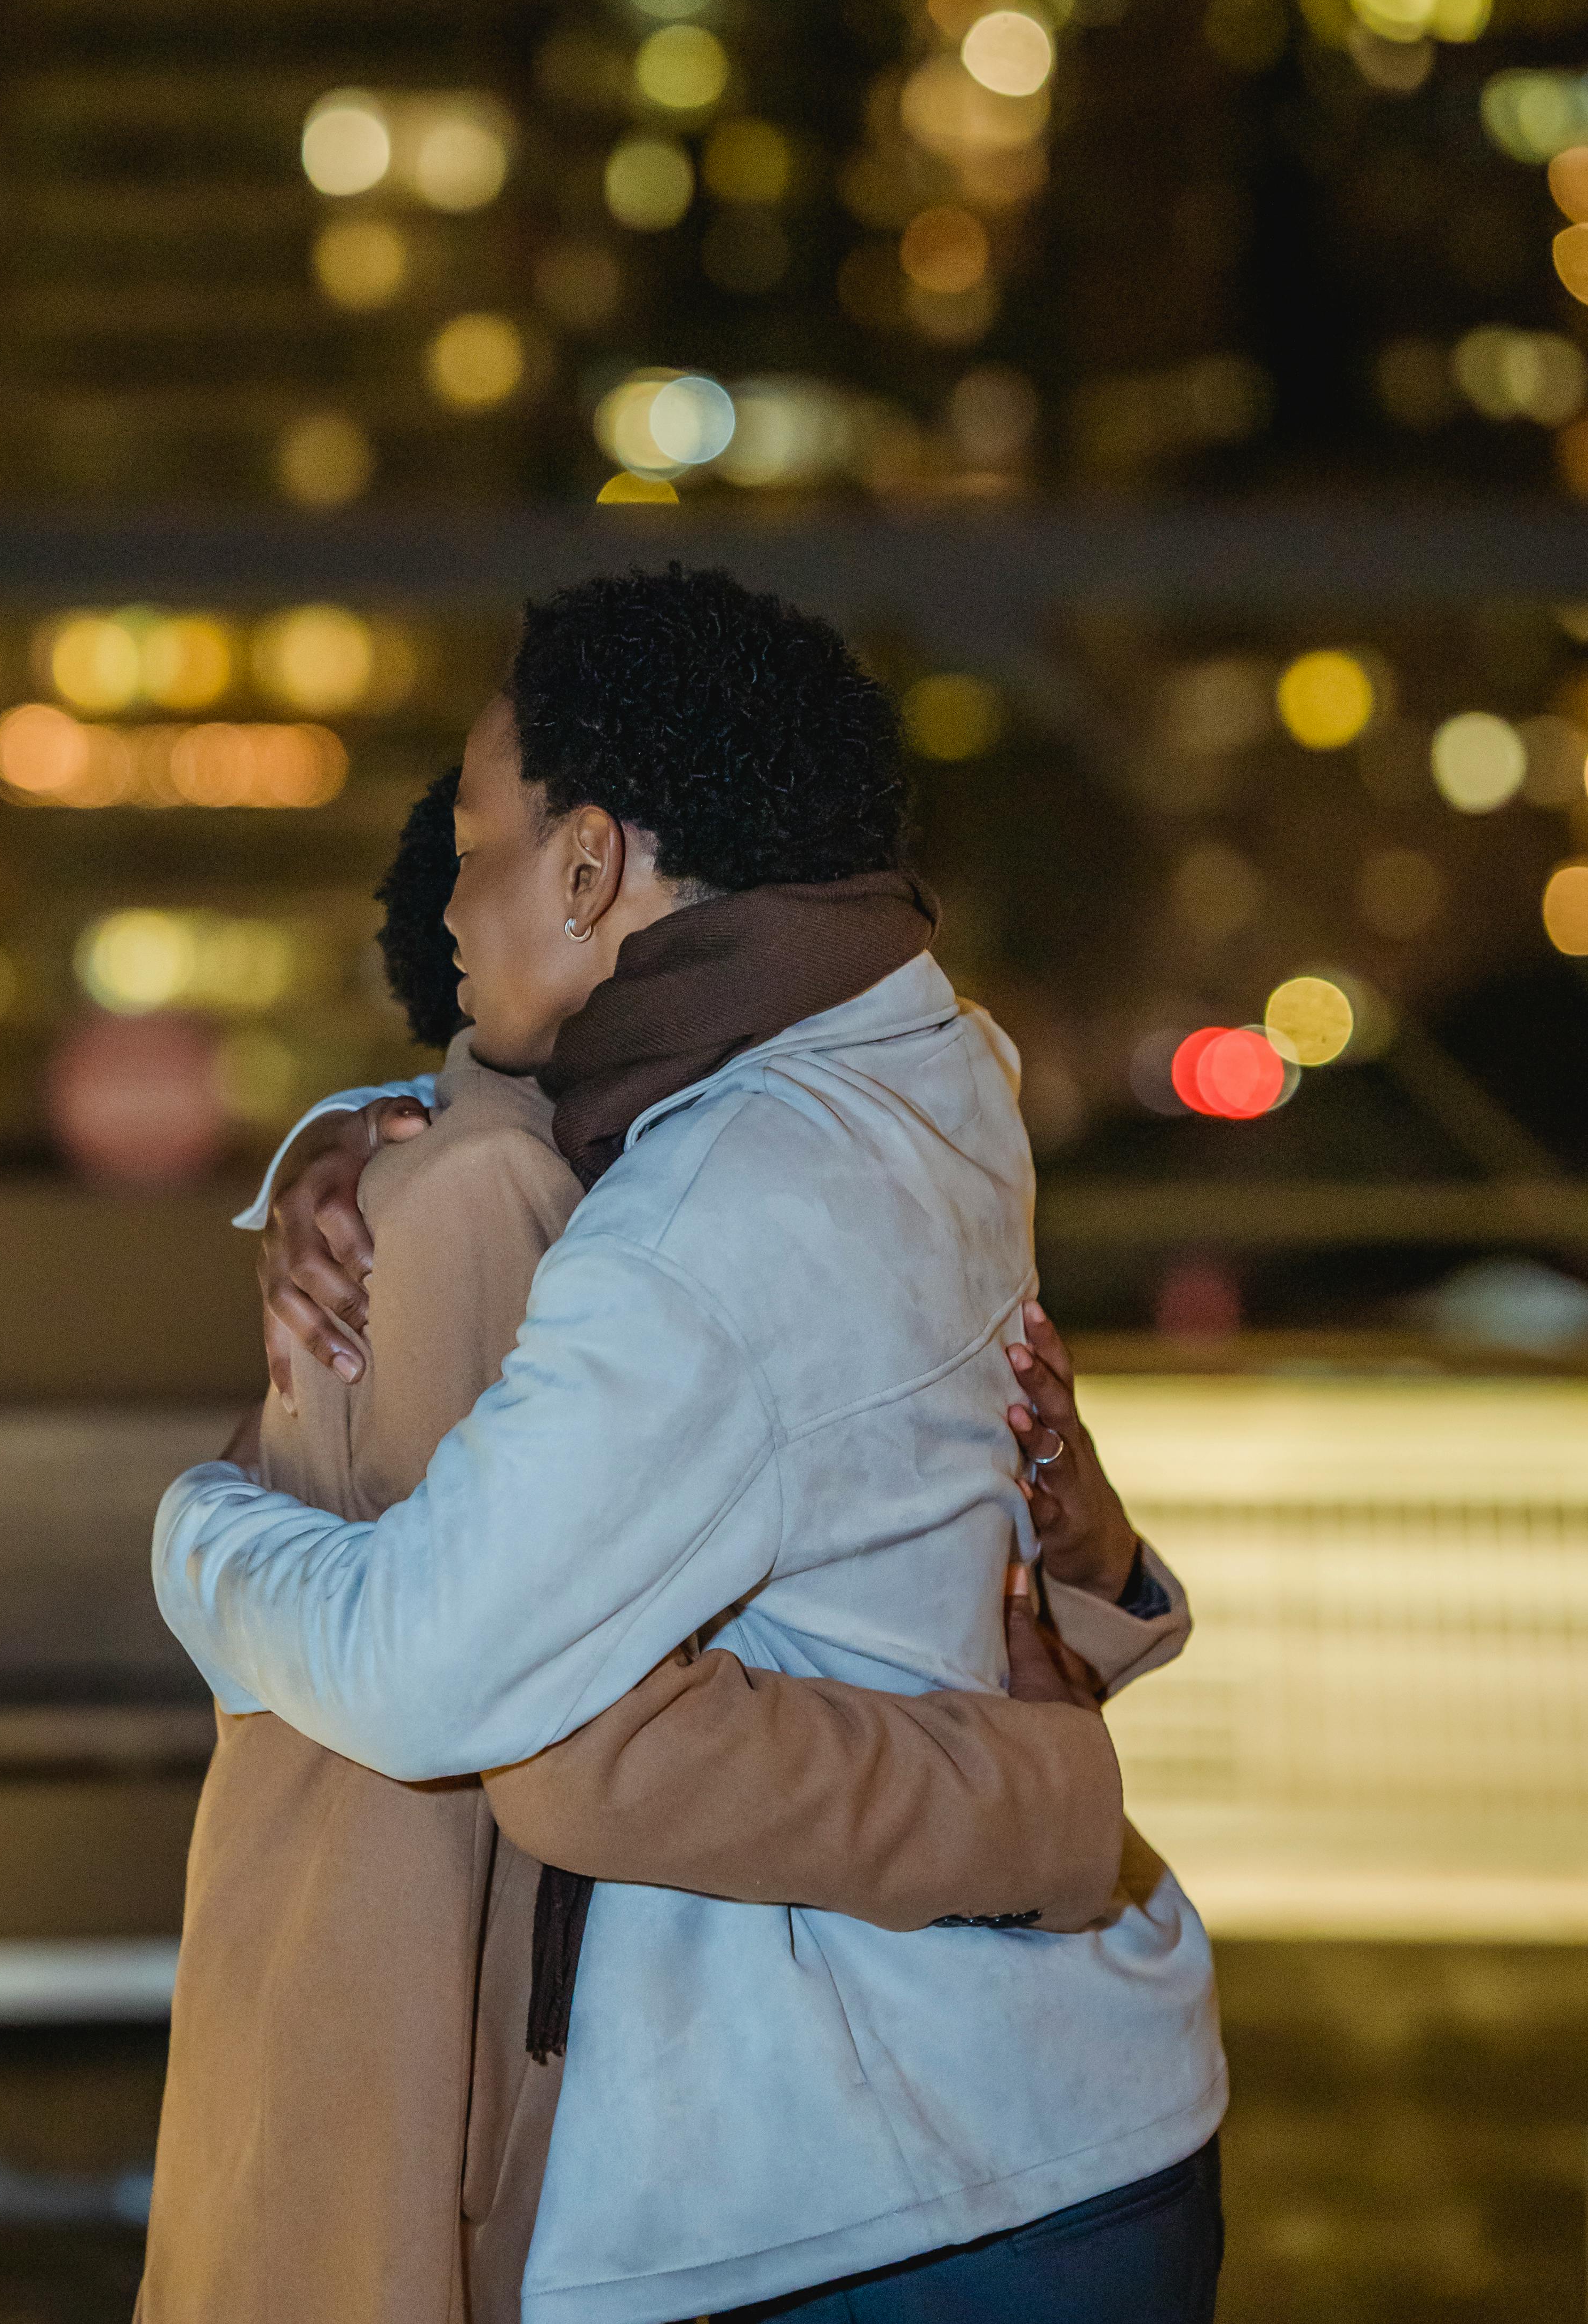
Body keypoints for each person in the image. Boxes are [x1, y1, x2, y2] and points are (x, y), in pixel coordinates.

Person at [154, 565, 1226, 2324]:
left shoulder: (701, 1225)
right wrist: (361, 1129)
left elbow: (443, 1681)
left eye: (483, 843)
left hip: (867, 2187)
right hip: (1060, 2116)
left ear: (591, 867)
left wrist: (193, 1533)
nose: (448, 914)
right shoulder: (935, 1061)